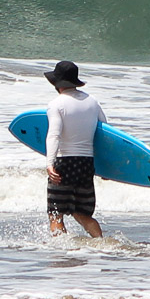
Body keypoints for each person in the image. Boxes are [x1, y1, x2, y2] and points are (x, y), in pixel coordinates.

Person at [43, 60, 106, 237]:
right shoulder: (92, 102)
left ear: (57, 83)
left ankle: (60, 252)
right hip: (86, 164)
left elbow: (54, 135)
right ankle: (102, 245)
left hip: (65, 162)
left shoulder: (56, 104)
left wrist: (50, 163)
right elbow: (105, 134)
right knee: (83, 214)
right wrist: (105, 167)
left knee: (56, 214)